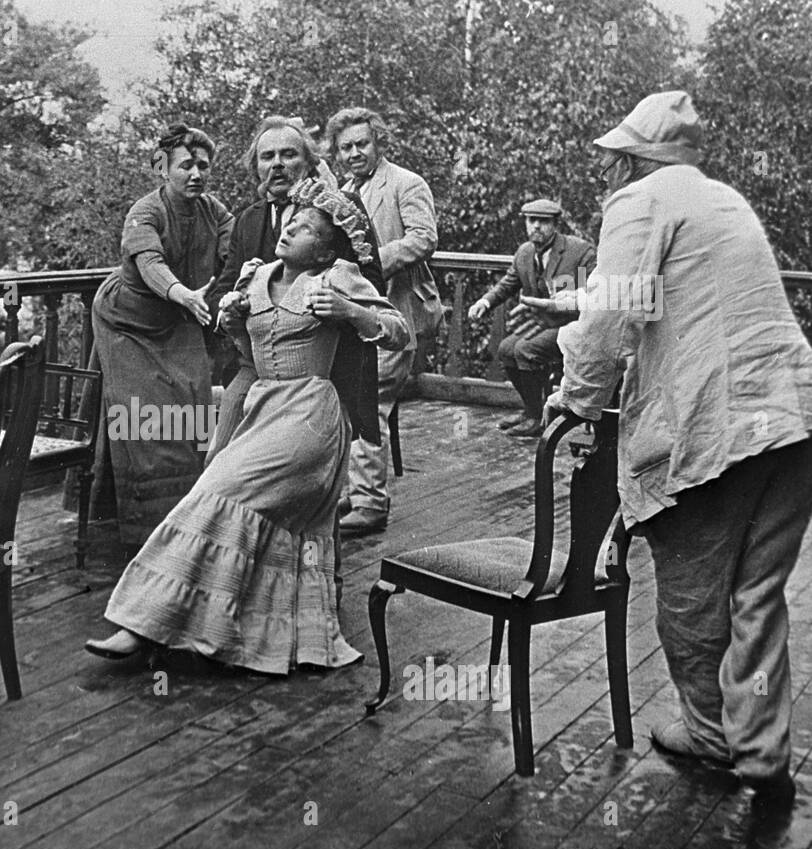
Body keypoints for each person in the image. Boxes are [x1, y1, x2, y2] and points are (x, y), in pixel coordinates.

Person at [534, 91, 812, 805]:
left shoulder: (638, 200)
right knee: (757, 592)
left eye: (613, 159)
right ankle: (761, 748)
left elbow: (611, 316)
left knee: (690, 600)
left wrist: (576, 397)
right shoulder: (720, 198)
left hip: (715, 428)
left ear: (630, 159)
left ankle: (713, 735)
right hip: (791, 414)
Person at [85, 179, 409, 671]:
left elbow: (398, 333)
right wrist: (232, 319)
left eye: (306, 229)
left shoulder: (338, 278)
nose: (291, 228)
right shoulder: (255, 276)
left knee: (220, 492)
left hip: (310, 417)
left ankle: (143, 625)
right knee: (214, 493)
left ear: (324, 252)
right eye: (292, 221)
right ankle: (176, 626)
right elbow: (245, 350)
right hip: (262, 408)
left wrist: (351, 312)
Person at [90, 123, 233, 550]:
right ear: (163, 168)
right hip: (128, 321)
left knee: (193, 408)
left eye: (203, 166)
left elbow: (237, 247)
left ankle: (186, 518)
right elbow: (149, 261)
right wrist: (182, 292)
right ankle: (142, 530)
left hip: (179, 318)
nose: (196, 174)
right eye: (185, 165)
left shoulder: (214, 210)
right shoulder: (144, 211)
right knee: (139, 414)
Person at [205, 115, 381, 460]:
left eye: (289, 155)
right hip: (255, 367)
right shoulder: (249, 220)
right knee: (218, 458)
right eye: (267, 157)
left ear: (310, 161)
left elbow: (373, 282)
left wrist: (333, 303)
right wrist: (229, 309)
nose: (278, 165)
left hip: (323, 369)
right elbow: (223, 288)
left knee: (305, 473)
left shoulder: (340, 210)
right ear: (256, 167)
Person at [325, 107, 442, 536]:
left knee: (369, 401)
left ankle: (371, 503)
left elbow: (423, 238)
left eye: (362, 144)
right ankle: (349, 493)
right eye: (346, 147)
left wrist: (371, 266)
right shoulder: (342, 189)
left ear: (378, 143)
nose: (355, 153)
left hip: (399, 311)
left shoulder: (406, 183)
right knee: (344, 398)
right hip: (359, 314)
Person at [467, 199, 596, 438]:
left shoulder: (580, 251)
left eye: (543, 221)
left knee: (526, 350)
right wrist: (484, 302)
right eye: (531, 220)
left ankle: (539, 418)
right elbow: (508, 284)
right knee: (506, 349)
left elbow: (594, 293)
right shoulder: (525, 252)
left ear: (556, 224)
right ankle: (531, 410)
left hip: (571, 325)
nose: (536, 226)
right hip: (541, 324)